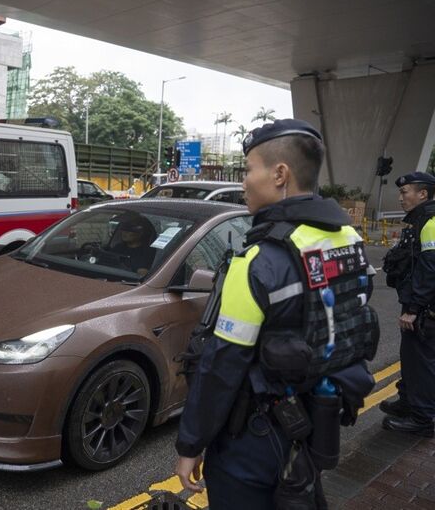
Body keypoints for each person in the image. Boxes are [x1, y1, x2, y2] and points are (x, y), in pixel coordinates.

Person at [174, 119, 378, 508]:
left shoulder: (258, 261)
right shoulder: (348, 240)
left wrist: (191, 443)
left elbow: (221, 366)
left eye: (249, 169)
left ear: (280, 174)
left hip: (253, 439)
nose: (244, 180)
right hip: (317, 420)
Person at [379, 171, 435, 437]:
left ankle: (422, 419)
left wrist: (414, 309)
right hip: (419, 303)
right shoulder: (420, 219)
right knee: (411, 357)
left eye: (405, 192)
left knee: (421, 361)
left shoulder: (430, 222)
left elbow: (430, 269)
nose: (401, 197)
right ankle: (408, 401)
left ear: (422, 194)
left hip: (424, 308)